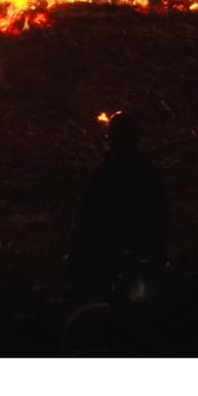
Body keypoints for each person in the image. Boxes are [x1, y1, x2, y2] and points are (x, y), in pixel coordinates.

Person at [68, 111, 167, 297]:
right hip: (134, 257)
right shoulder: (147, 172)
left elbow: (84, 220)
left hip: (110, 258)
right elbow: (161, 218)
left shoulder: (103, 174)